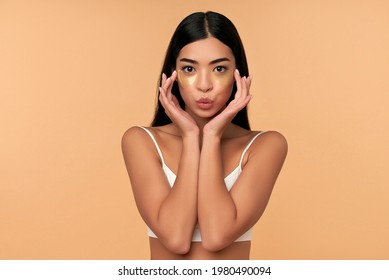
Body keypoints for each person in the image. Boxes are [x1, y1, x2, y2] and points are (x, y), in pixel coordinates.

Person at [121, 11, 287, 260]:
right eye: (189, 68)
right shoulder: (141, 141)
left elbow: (216, 236)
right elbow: (176, 238)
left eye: (219, 68)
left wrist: (210, 136)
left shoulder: (265, 145)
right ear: (172, 75)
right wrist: (190, 137)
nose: (204, 85)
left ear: (237, 75)